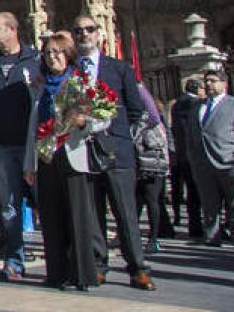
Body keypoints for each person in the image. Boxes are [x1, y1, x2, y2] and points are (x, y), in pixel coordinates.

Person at [72, 15, 154, 290]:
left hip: (116, 150)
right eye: (79, 31)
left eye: (89, 30)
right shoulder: (71, 70)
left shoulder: (119, 68)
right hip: (83, 150)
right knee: (92, 212)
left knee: (125, 212)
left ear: (99, 33)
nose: (84, 34)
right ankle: (98, 265)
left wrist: (116, 134)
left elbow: (135, 109)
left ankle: (137, 267)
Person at [22, 31, 103, 291]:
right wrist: (28, 164)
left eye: (57, 52)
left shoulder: (81, 81)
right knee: (51, 216)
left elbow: (105, 116)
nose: (52, 57)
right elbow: (33, 126)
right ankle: (56, 272)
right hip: (47, 156)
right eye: (47, 53)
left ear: (68, 55)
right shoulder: (40, 86)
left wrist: (85, 122)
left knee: (77, 218)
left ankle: (81, 274)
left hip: (72, 155)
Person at [0, 11, 41, 282]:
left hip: (34, 145)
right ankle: (14, 261)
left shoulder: (37, 60)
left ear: (13, 29)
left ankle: (63, 255)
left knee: (44, 203)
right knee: (9, 207)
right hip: (2, 145)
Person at [188, 69, 234, 246]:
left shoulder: (231, 104)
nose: (208, 84)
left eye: (213, 81)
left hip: (227, 160)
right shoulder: (198, 106)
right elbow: (192, 133)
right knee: (209, 202)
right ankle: (212, 235)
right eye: (206, 81)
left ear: (224, 84)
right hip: (203, 162)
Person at [133, 83, 170, 253]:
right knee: (136, 201)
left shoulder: (140, 92)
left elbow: (154, 119)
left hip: (149, 157)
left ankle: (153, 238)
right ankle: (130, 236)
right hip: (135, 157)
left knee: (151, 199)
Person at [171, 77, 203, 237]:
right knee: (198, 191)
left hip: (181, 153)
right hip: (195, 153)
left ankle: (193, 224)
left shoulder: (176, 105)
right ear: (197, 89)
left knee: (190, 191)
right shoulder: (195, 104)